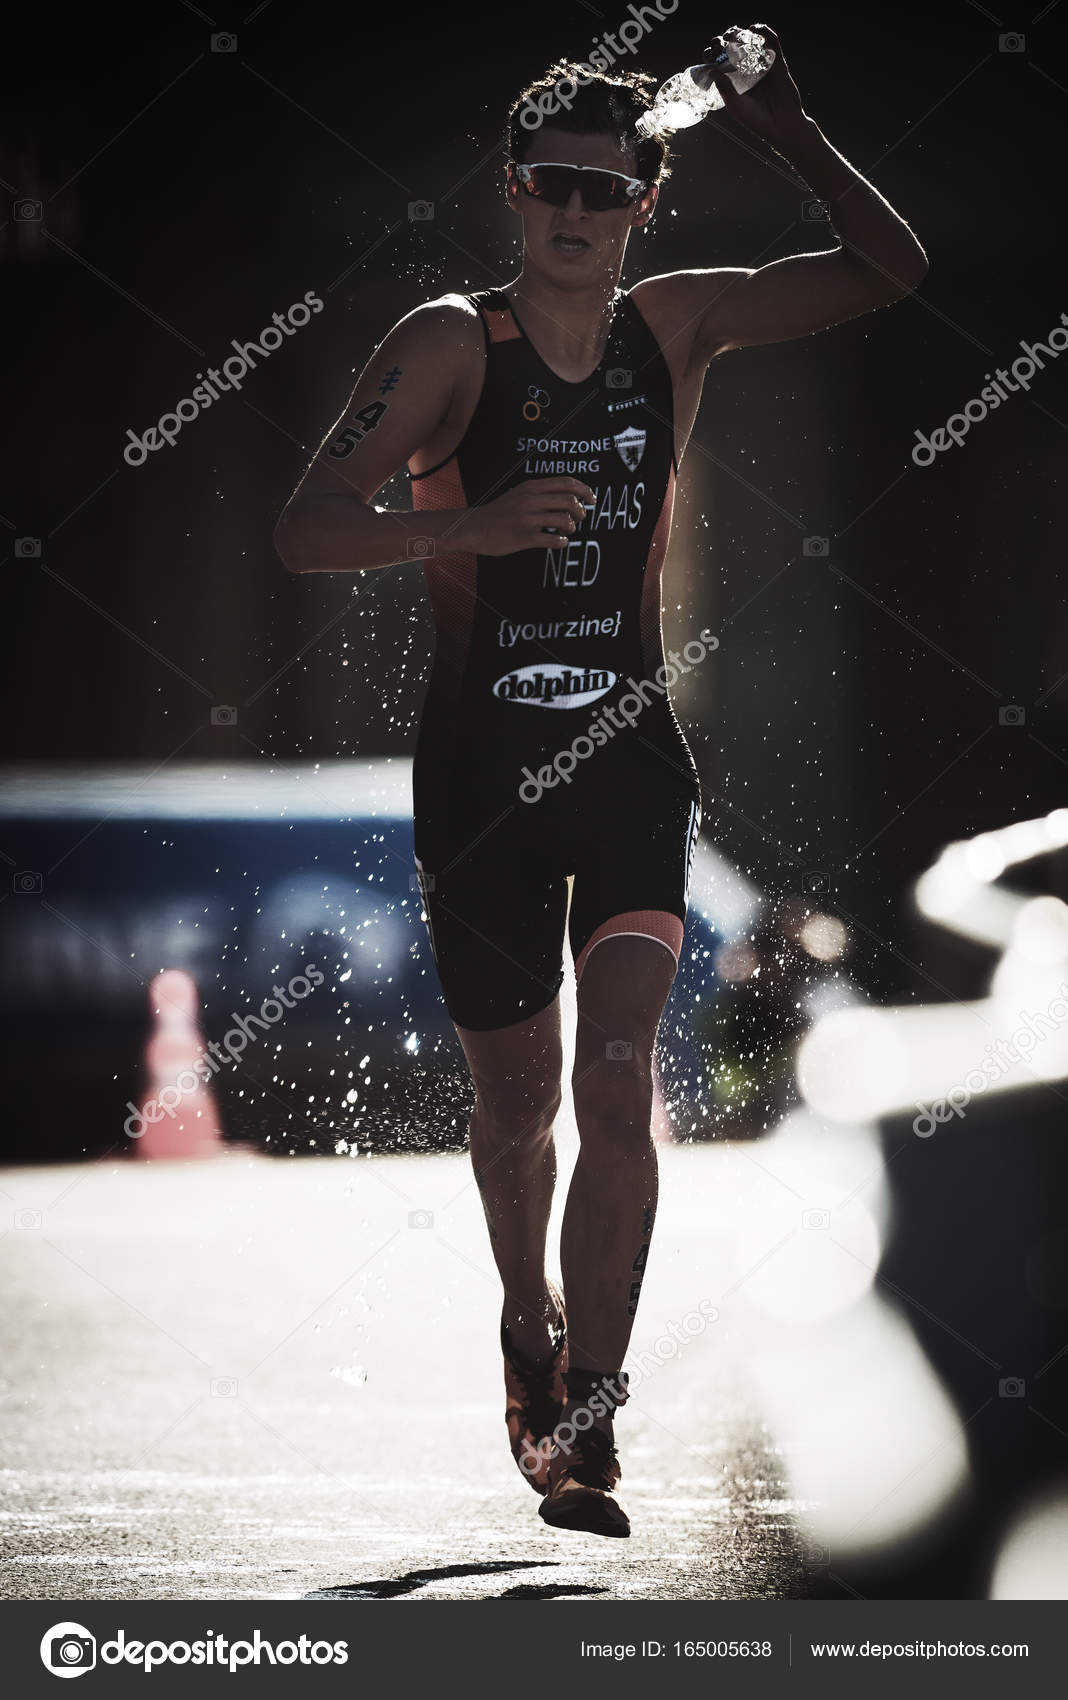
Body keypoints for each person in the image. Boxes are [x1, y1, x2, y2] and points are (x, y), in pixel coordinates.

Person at [274, 24, 927, 1537]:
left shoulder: (679, 324)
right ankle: (525, 1319)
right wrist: (469, 524)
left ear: (647, 201)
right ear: (513, 191)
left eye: (606, 188)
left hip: (627, 752)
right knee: (517, 1119)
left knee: (621, 1076)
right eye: (551, 184)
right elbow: (308, 527)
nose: (575, 210)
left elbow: (892, 272)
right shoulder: (450, 342)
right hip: (483, 773)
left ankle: (590, 1415)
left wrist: (799, 140)